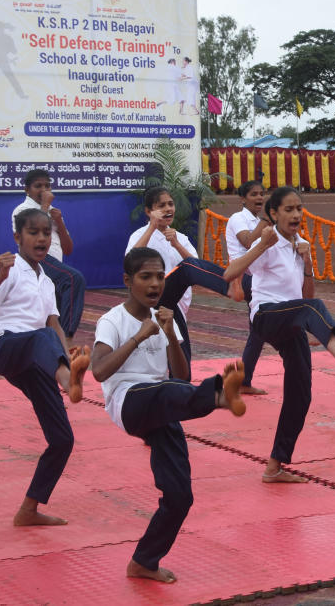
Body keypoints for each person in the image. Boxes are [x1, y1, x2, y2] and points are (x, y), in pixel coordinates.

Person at [90, 246, 245, 583]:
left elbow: (181, 377)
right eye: (146, 276)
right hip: (127, 400)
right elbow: (99, 371)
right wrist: (137, 337)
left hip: (163, 404)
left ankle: (145, 561)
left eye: (160, 276)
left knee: (180, 496)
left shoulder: (164, 317)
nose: (155, 283)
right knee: (163, 391)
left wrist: (170, 335)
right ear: (128, 281)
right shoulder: (113, 320)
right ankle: (218, 394)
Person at [222, 187, 335, 483]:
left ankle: (274, 466)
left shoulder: (300, 243)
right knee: (311, 309)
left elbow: (305, 294)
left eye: (299, 208)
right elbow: (229, 272)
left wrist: (308, 264)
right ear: (274, 214)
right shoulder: (268, 241)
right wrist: (262, 245)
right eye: (288, 209)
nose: (296, 214)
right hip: (266, 316)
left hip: (293, 320)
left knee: (301, 394)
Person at [0, 208, 89, 526]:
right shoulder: (11, 271)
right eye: (33, 232)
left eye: (46, 233)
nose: (41, 238)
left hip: (38, 359)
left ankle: (29, 509)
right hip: (6, 348)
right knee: (43, 337)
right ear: (17, 237)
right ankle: (68, 381)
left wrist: (67, 356)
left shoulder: (47, 282)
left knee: (62, 439)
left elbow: (56, 326)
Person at [127, 186, 239, 379]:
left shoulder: (180, 237)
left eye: (170, 204)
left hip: (173, 305)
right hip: (150, 299)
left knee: (179, 358)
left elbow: (197, 266)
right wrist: (153, 227)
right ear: (148, 211)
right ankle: (230, 284)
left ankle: (180, 391)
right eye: (161, 205)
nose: (168, 209)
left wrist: (176, 244)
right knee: (186, 267)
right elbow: (130, 261)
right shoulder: (139, 235)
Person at [11, 169, 86, 339]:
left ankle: (54, 345)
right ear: (27, 190)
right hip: (37, 259)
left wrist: (58, 221)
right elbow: (26, 242)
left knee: (53, 313)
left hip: (55, 264)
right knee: (73, 279)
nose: (44, 190)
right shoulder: (21, 210)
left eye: (47, 186)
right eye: (38, 186)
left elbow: (68, 249)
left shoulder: (54, 212)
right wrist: (44, 207)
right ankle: (67, 338)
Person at [225, 180, 270, 395]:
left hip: (259, 277)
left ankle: (244, 379)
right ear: (243, 199)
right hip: (243, 277)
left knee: (258, 330)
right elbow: (247, 242)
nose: (260, 198)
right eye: (254, 194)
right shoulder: (238, 218)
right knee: (259, 328)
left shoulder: (260, 220)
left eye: (262, 194)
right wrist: (264, 224)